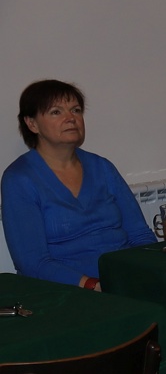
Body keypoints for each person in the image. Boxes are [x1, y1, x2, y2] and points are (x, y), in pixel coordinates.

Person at [2, 79, 155, 288]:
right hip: (67, 291)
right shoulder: (19, 178)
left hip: (124, 277)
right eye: (56, 112)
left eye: (76, 110)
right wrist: (91, 284)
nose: (71, 118)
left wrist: (146, 271)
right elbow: (32, 263)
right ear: (32, 124)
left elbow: (140, 235)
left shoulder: (102, 167)